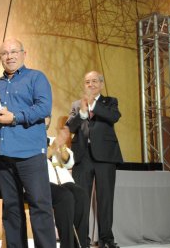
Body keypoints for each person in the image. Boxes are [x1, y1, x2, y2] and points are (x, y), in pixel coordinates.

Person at [0, 38, 56, 248]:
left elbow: (44, 108)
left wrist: (15, 117)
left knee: (39, 206)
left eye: (14, 51)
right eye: (5, 53)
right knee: (11, 210)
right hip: (3, 155)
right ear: (0, 58)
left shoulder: (36, 77)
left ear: (24, 54)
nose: (9, 56)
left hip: (30, 154)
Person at [66, 71, 123, 248]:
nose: (90, 84)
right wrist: (82, 112)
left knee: (105, 199)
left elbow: (114, 117)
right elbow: (70, 127)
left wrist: (93, 103)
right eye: (87, 82)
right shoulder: (77, 104)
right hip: (82, 157)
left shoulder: (110, 101)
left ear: (101, 83)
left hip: (105, 157)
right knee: (81, 200)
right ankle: (82, 240)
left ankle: (107, 239)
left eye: (94, 81)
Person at [45, 117, 89, 248]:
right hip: (47, 182)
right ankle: (67, 244)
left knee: (81, 196)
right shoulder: (31, 142)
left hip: (65, 181)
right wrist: (52, 149)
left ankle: (81, 244)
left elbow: (70, 162)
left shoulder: (54, 139)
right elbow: (34, 163)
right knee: (66, 197)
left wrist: (63, 150)